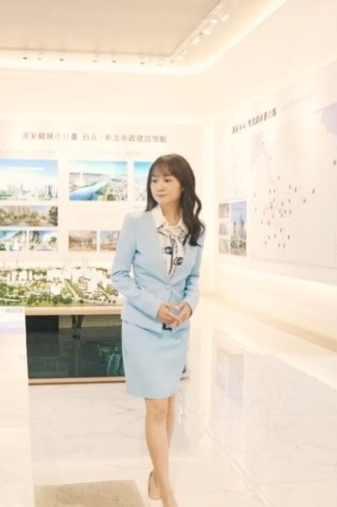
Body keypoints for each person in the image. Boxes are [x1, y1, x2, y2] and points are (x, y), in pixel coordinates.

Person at [109, 154, 204, 506]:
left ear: (183, 184)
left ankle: (156, 477)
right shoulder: (136, 222)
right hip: (142, 326)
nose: (159, 186)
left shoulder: (196, 229)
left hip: (177, 330)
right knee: (157, 407)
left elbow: (194, 279)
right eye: (154, 180)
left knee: (170, 403)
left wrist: (189, 305)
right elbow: (119, 274)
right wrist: (153, 306)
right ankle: (168, 494)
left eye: (167, 179)